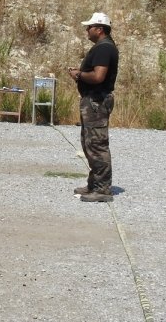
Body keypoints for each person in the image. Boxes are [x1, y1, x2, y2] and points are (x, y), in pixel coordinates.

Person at [67, 12, 120, 203]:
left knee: (97, 145)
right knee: (89, 143)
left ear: (99, 29)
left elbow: (98, 77)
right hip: (93, 101)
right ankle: (94, 183)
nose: (86, 30)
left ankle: (102, 189)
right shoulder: (103, 47)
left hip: (96, 102)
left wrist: (79, 75)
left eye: (89, 27)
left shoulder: (104, 48)